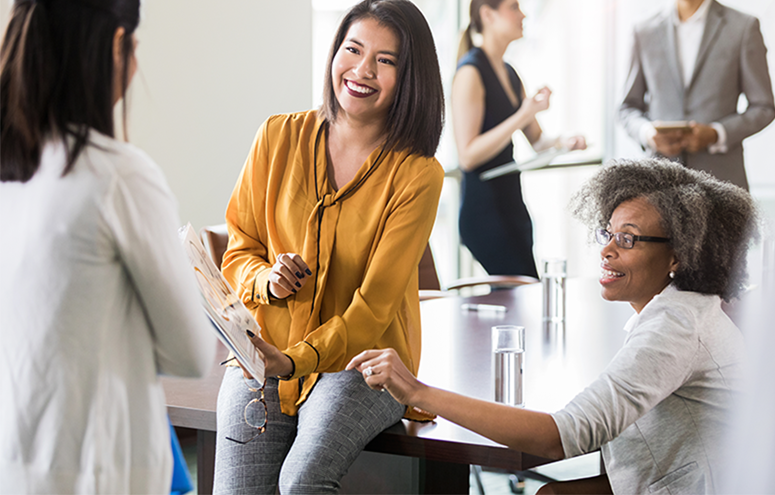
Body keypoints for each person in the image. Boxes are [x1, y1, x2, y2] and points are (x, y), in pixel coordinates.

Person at [348, 158, 757, 494]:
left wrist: (418, 391)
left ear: (678, 256)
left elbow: (559, 438)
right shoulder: (680, 310)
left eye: (628, 239)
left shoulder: (675, 326)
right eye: (607, 233)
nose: (606, 250)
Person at [212, 1, 445, 493]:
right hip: (264, 349)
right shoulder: (277, 136)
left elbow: (373, 309)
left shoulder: (418, 175)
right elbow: (238, 251)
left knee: (302, 482)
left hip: (365, 363)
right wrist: (267, 281)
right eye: (353, 50)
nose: (362, 70)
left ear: (410, 78)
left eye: (385, 60)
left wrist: (294, 361)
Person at [0, 0, 215, 493]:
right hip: (101, 471)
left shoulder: (13, 173)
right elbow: (190, 353)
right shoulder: (118, 175)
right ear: (117, 44)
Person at [453, 0, 586, 278]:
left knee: (522, 290)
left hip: (511, 204)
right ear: (487, 14)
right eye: (513, 7)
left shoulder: (510, 73)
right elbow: (467, 156)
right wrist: (524, 114)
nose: (523, 14)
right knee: (520, 289)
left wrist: (565, 142)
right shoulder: (470, 72)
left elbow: (537, 141)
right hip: (485, 211)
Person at [618, 0, 775, 191]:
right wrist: (648, 133)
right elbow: (627, 107)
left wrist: (717, 133)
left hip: (722, 185)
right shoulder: (643, 30)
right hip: (659, 184)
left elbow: (764, 107)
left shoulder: (743, 27)